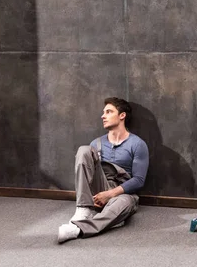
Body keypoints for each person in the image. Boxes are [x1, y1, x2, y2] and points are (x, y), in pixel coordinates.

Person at [58, 97, 149, 243]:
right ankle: (83, 209)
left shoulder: (137, 144)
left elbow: (139, 180)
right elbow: (89, 172)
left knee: (123, 204)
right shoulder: (96, 143)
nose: (103, 116)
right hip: (99, 188)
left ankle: (78, 229)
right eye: (103, 112)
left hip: (123, 194)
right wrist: (98, 194)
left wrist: (110, 194)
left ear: (122, 115)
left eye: (108, 112)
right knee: (84, 150)